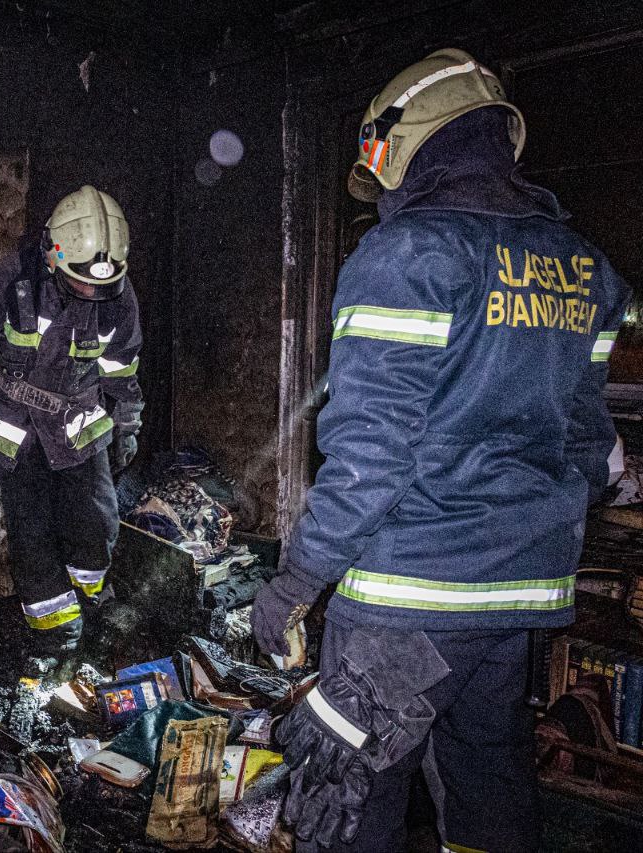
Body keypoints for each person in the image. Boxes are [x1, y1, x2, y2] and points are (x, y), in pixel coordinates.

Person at [252, 48, 629, 852]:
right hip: (518, 595)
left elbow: (369, 457)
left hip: (405, 601)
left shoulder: (404, 259)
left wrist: (296, 582)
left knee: (344, 797)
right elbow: (592, 446)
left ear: (405, 142)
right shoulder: (583, 270)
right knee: (485, 788)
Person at [0, 185, 143, 657]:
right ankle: (55, 636)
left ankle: (92, 609)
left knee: (96, 529)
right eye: (82, 282)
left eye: (102, 286)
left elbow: (122, 368)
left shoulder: (116, 297)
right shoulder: (7, 283)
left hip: (80, 429)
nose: (93, 293)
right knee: (32, 537)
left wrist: (128, 426)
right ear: (53, 256)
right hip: (19, 432)